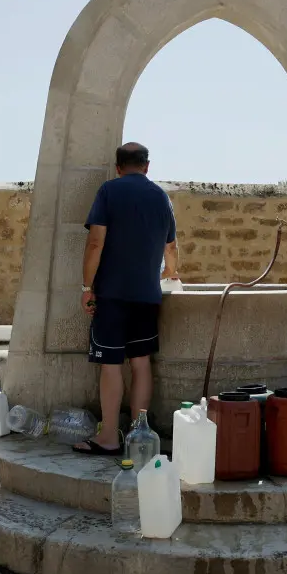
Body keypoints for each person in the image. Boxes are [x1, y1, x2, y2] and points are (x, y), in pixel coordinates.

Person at [74, 142, 179, 455]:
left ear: (118, 167)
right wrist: (169, 272)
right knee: (141, 363)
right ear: (147, 166)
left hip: (112, 295)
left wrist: (86, 287)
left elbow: (95, 243)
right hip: (147, 295)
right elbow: (171, 249)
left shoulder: (109, 191)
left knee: (110, 364)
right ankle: (138, 437)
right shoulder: (161, 197)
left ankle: (108, 437)